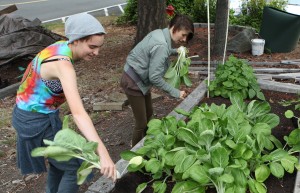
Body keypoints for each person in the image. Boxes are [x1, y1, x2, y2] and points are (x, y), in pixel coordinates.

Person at [11, 13, 116, 193]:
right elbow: (79, 114)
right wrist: (104, 154)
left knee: (61, 163)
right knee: (75, 167)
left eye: (99, 47)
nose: (97, 52)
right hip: (35, 122)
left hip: (28, 115)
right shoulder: (63, 65)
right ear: (76, 40)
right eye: (92, 46)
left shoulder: (60, 47)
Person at [120, 14, 194, 146]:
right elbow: (154, 77)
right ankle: (135, 151)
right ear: (174, 28)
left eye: (186, 37)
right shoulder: (161, 45)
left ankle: (149, 143)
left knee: (149, 115)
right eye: (183, 35)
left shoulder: (159, 33)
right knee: (141, 123)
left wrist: (175, 51)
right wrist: (176, 92)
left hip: (138, 77)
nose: (184, 39)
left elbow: (157, 51)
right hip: (134, 82)